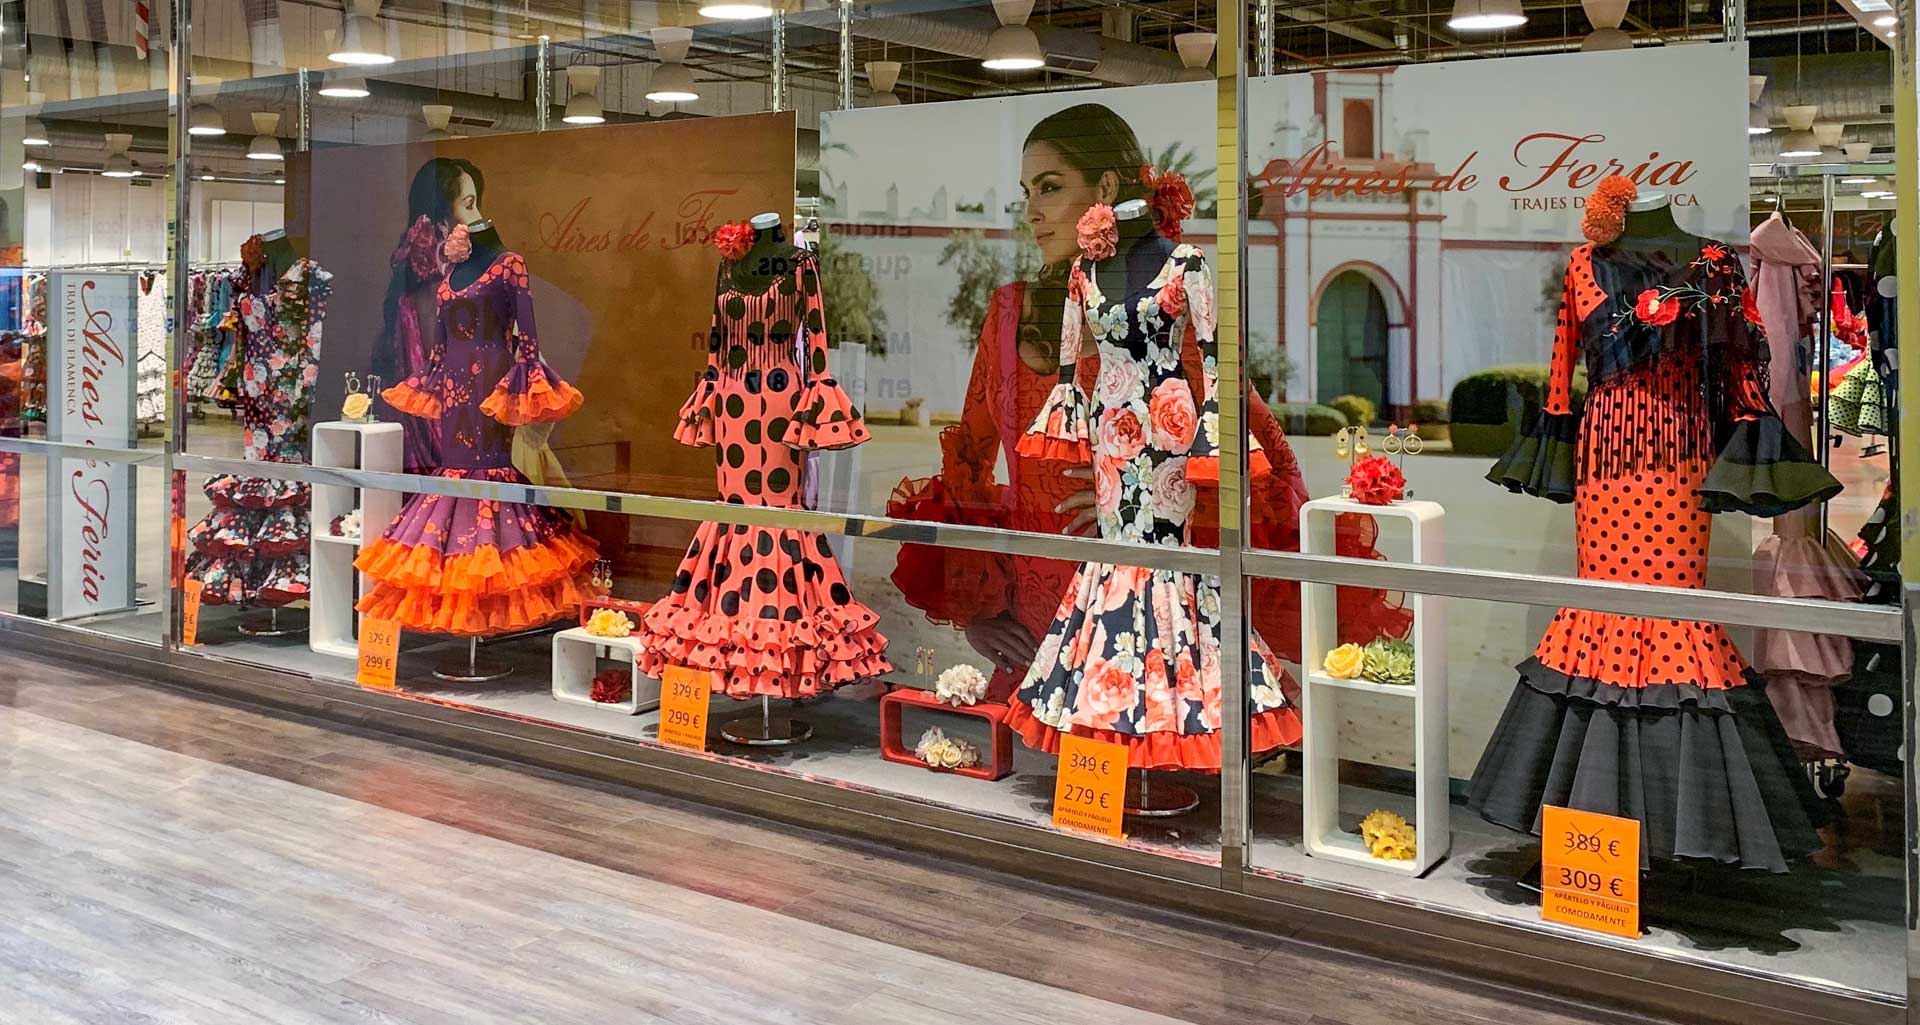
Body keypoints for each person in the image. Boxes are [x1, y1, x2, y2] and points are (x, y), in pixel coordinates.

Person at [888, 102, 1408, 702]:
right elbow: (969, 459)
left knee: (1148, 768)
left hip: (1144, 610)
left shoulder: (1166, 303)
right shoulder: (1008, 314)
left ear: (1107, 187)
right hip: (1032, 621)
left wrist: (1141, 490)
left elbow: (1260, 450)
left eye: (1050, 187)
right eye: (1027, 191)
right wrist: (976, 608)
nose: (1032, 211)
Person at [375, 157, 485, 473]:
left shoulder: (426, 277)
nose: (478, 216)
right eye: (470, 204)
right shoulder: (433, 282)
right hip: (443, 418)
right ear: (441, 218)